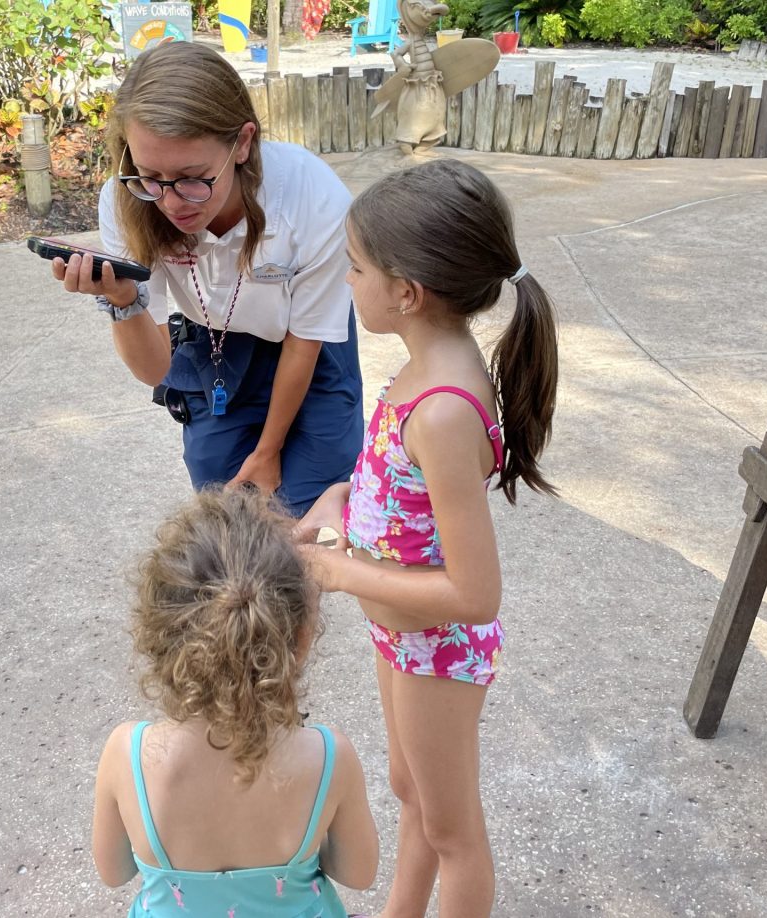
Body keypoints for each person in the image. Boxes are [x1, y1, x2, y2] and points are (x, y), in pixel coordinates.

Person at [295, 159, 559, 918]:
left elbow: (474, 595)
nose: (347, 282)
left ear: (405, 292)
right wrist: (341, 499)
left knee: (453, 833)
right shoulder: (422, 367)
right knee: (411, 791)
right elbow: (396, 491)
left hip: (437, 646)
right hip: (401, 635)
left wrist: (341, 575)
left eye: (354, 269)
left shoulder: (443, 409)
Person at [51, 41, 363, 516]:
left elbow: (304, 341)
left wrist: (267, 451)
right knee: (222, 506)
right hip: (217, 345)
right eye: (150, 175)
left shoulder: (311, 195)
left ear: (242, 143)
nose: (172, 203)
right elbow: (157, 371)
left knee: (306, 516)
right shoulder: (126, 199)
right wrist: (123, 300)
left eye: (194, 177)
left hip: (308, 346)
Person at [91, 488, 379, 917]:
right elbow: (359, 873)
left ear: (158, 635)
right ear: (298, 641)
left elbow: (114, 871)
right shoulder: (328, 756)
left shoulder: (126, 753)